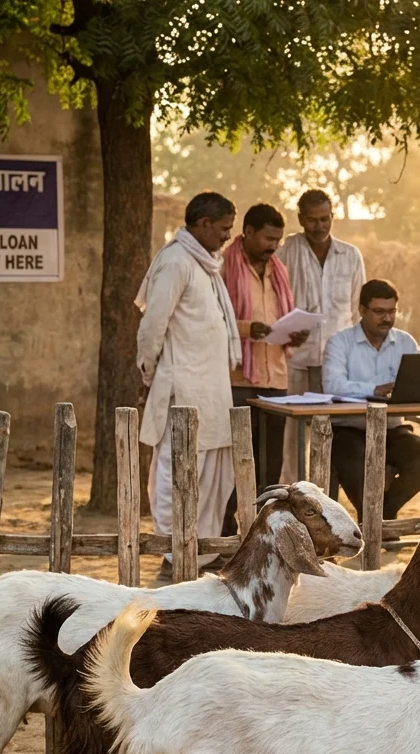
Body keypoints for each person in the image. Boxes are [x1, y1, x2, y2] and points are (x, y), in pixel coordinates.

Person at [136, 192, 243, 579]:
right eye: (225, 229)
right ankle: (173, 554)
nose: (229, 237)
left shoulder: (207, 265)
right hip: (183, 391)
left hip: (213, 392)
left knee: (215, 475)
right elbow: (152, 328)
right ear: (203, 225)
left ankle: (202, 555)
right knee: (177, 473)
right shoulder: (176, 261)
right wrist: (150, 374)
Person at [324, 279, 420, 529]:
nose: (386, 318)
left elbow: (418, 383)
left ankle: (380, 517)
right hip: (349, 429)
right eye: (379, 312)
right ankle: (377, 525)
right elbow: (332, 385)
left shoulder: (406, 342)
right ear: (362, 311)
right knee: (357, 468)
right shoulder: (339, 342)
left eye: (391, 311)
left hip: (392, 427)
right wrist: (374, 390)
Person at [221, 203, 309, 501]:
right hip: (238, 379)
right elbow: (212, 321)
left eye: (278, 240)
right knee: (238, 462)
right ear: (247, 232)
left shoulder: (278, 270)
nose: (274, 246)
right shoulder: (223, 266)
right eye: (268, 239)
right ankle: (228, 534)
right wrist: (247, 329)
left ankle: (264, 528)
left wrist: (293, 335)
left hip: (276, 378)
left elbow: (283, 317)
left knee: (271, 465)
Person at [279, 189, 366, 482]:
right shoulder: (286, 251)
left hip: (336, 361)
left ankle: (326, 498)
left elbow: (356, 311)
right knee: (291, 438)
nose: (320, 226)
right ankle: (290, 496)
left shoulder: (350, 255)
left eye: (325, 219)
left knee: (332, 432)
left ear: (333, 216)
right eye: (313, 220)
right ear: (301, 219)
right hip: (295, 357)